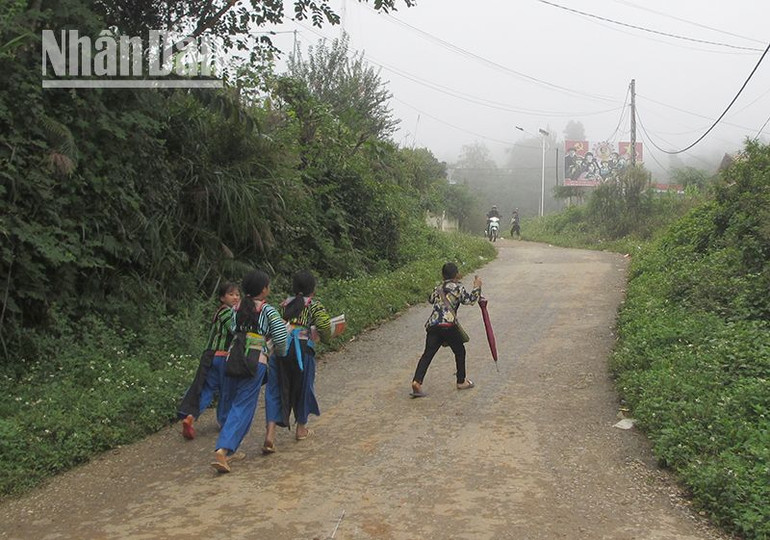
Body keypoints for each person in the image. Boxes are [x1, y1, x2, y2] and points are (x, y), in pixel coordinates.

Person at [210, 269, 289, 473]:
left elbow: (234, 331)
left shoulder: (235, 308)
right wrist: (279, 352)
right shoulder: (268, 310)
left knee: (230, 400)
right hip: (255, 361)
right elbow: (280, 337)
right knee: (243, 406)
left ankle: (229, 449)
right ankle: (223, 449)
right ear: (264, 289)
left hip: (232, 357)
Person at [262, 270, 333, 454]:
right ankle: (301, 429)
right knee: (303, 388)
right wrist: (326, 338)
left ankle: (270, 434)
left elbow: (272, 327)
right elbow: (325, 327)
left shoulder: (283, 305)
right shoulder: (314, 306)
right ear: (313, 289)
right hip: (303, 351)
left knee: (275, 388)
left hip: (280, 350)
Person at [177, 281, 240, 440]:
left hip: (211, 357)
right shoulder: (226, 312)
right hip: (222, 357)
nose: (235, 297)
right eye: (231, 294)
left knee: (207, 389)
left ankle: (190, 417)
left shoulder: (219, 312)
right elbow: (235, 329)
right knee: (226, 390)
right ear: (222, 298)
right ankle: (224, 422)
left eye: (237, 294)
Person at [410, 262, 482, 397]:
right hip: (449, 326)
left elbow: (431, 299)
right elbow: (470, 300)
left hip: (434, 325)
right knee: (460, 351)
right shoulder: (458, 288)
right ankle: (461, 381)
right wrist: (477, 287)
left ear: (442, 275)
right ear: (457, 275)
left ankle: (417, 382)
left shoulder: (438, 288)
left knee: (427, 354)